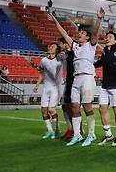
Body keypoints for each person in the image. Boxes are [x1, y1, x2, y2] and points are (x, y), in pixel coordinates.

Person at [49, 8, 103, 146]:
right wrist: (56, 21)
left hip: (87, 78)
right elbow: (64, 34)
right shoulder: (75, 46)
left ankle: (91, 134)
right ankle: (78, 135)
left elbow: (95, 32)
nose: (80, 34)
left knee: (87, 107)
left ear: (87, 37)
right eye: (79, 32)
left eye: (83, 33)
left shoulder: (91, 46)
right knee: (74, 107)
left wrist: (99, 19)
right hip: (75, 80)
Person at [94, 32, 116, 147]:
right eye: (106, 37)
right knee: (102, 108)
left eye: (110, 37)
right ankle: (108, 135)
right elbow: (97, 64)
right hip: (105, 85)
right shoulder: (105, 53)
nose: (107, 39)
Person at [33, 42, 63, 139]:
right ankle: (49, 130)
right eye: (50, 46)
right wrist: (37, 85)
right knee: (44, 111)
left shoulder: (60, 60)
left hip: (55, 88)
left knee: (51, 109)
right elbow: (41, 73)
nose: (50, 47)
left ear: (57, 50)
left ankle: (56, 129)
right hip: (46, 87)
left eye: (53, 46)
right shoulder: (43, 60)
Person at [58, 39, 76, 140]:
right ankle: (70, 129)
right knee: (65, 106)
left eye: (61, 44)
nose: (60, 46)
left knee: (74, 108)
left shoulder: (74, 53)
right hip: (68, 82)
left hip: (74, 82)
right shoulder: (64, 54)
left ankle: (78, 130)